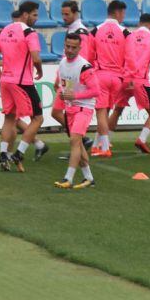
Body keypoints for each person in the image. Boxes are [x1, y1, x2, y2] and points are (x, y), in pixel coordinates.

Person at [0, 10, 49, 161]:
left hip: (6, 80)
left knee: (10, 118)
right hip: (22, 82)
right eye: (34, 15)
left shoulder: (4, 31)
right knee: (37, 118)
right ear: (25, 16)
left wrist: (1, 76)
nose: (36, 19)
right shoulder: (28, 33)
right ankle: (20, 152)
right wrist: (39, 70)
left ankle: (4, 154)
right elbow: (35, 58)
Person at [54, 33, 100, 190]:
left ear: (80, 48)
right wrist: (63, 91)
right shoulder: (62, 64)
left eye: (74, 47)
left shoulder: (84, 66)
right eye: (67, 46)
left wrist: (75, 95)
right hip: (71, 108)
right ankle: (89, 178)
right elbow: (66, 85)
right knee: (78, 144)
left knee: (74, 141)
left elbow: (96, 91)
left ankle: (68, 178)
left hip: (84, 108)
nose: (70, 50)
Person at [116, 13, 150, 154]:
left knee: (117, 109)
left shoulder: (130, 36)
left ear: (140, 23)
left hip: (125, 78)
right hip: (140, 80)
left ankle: (102, 143)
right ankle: (142, 139)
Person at [52, 0, 95, 151]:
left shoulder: (80, 32)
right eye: (62, 14)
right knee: (56, 112)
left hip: (73, 81)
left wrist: (67, 84)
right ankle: (82, 141)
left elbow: (78, 61)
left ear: (75, 13)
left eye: (67, 14)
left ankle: (78, 143)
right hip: (67, 80)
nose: (64, 17)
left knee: (66, 113)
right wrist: (59, 78)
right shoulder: (73, 29)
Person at [90, 0, 129, 158]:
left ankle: (104, 147)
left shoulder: (95, 30)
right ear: (118, 12)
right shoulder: (126, 32)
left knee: (101, 113)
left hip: (101, 75)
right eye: (123, 13)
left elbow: (89, 54)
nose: (123, 17)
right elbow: (130, 55)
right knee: (106, 111)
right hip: (118, 78)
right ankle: (95, 145)